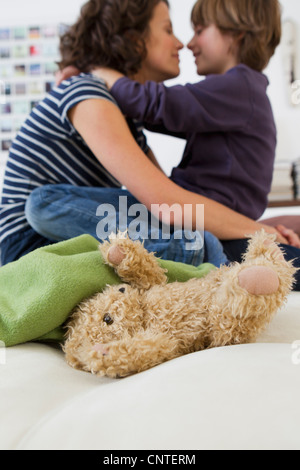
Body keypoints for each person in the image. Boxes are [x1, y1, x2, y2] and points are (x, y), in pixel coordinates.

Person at [0, 0, 289, 270]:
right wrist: (261, 230)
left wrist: (265, 230)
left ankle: (194, 252)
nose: (182, 43)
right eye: (168, 30)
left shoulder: (124, 117)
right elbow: (169, 204)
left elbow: (171, 205)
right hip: (29, 247)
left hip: (69, 239)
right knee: (43, 203)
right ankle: (194, 253)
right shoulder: (87, 93)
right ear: (133, 38)